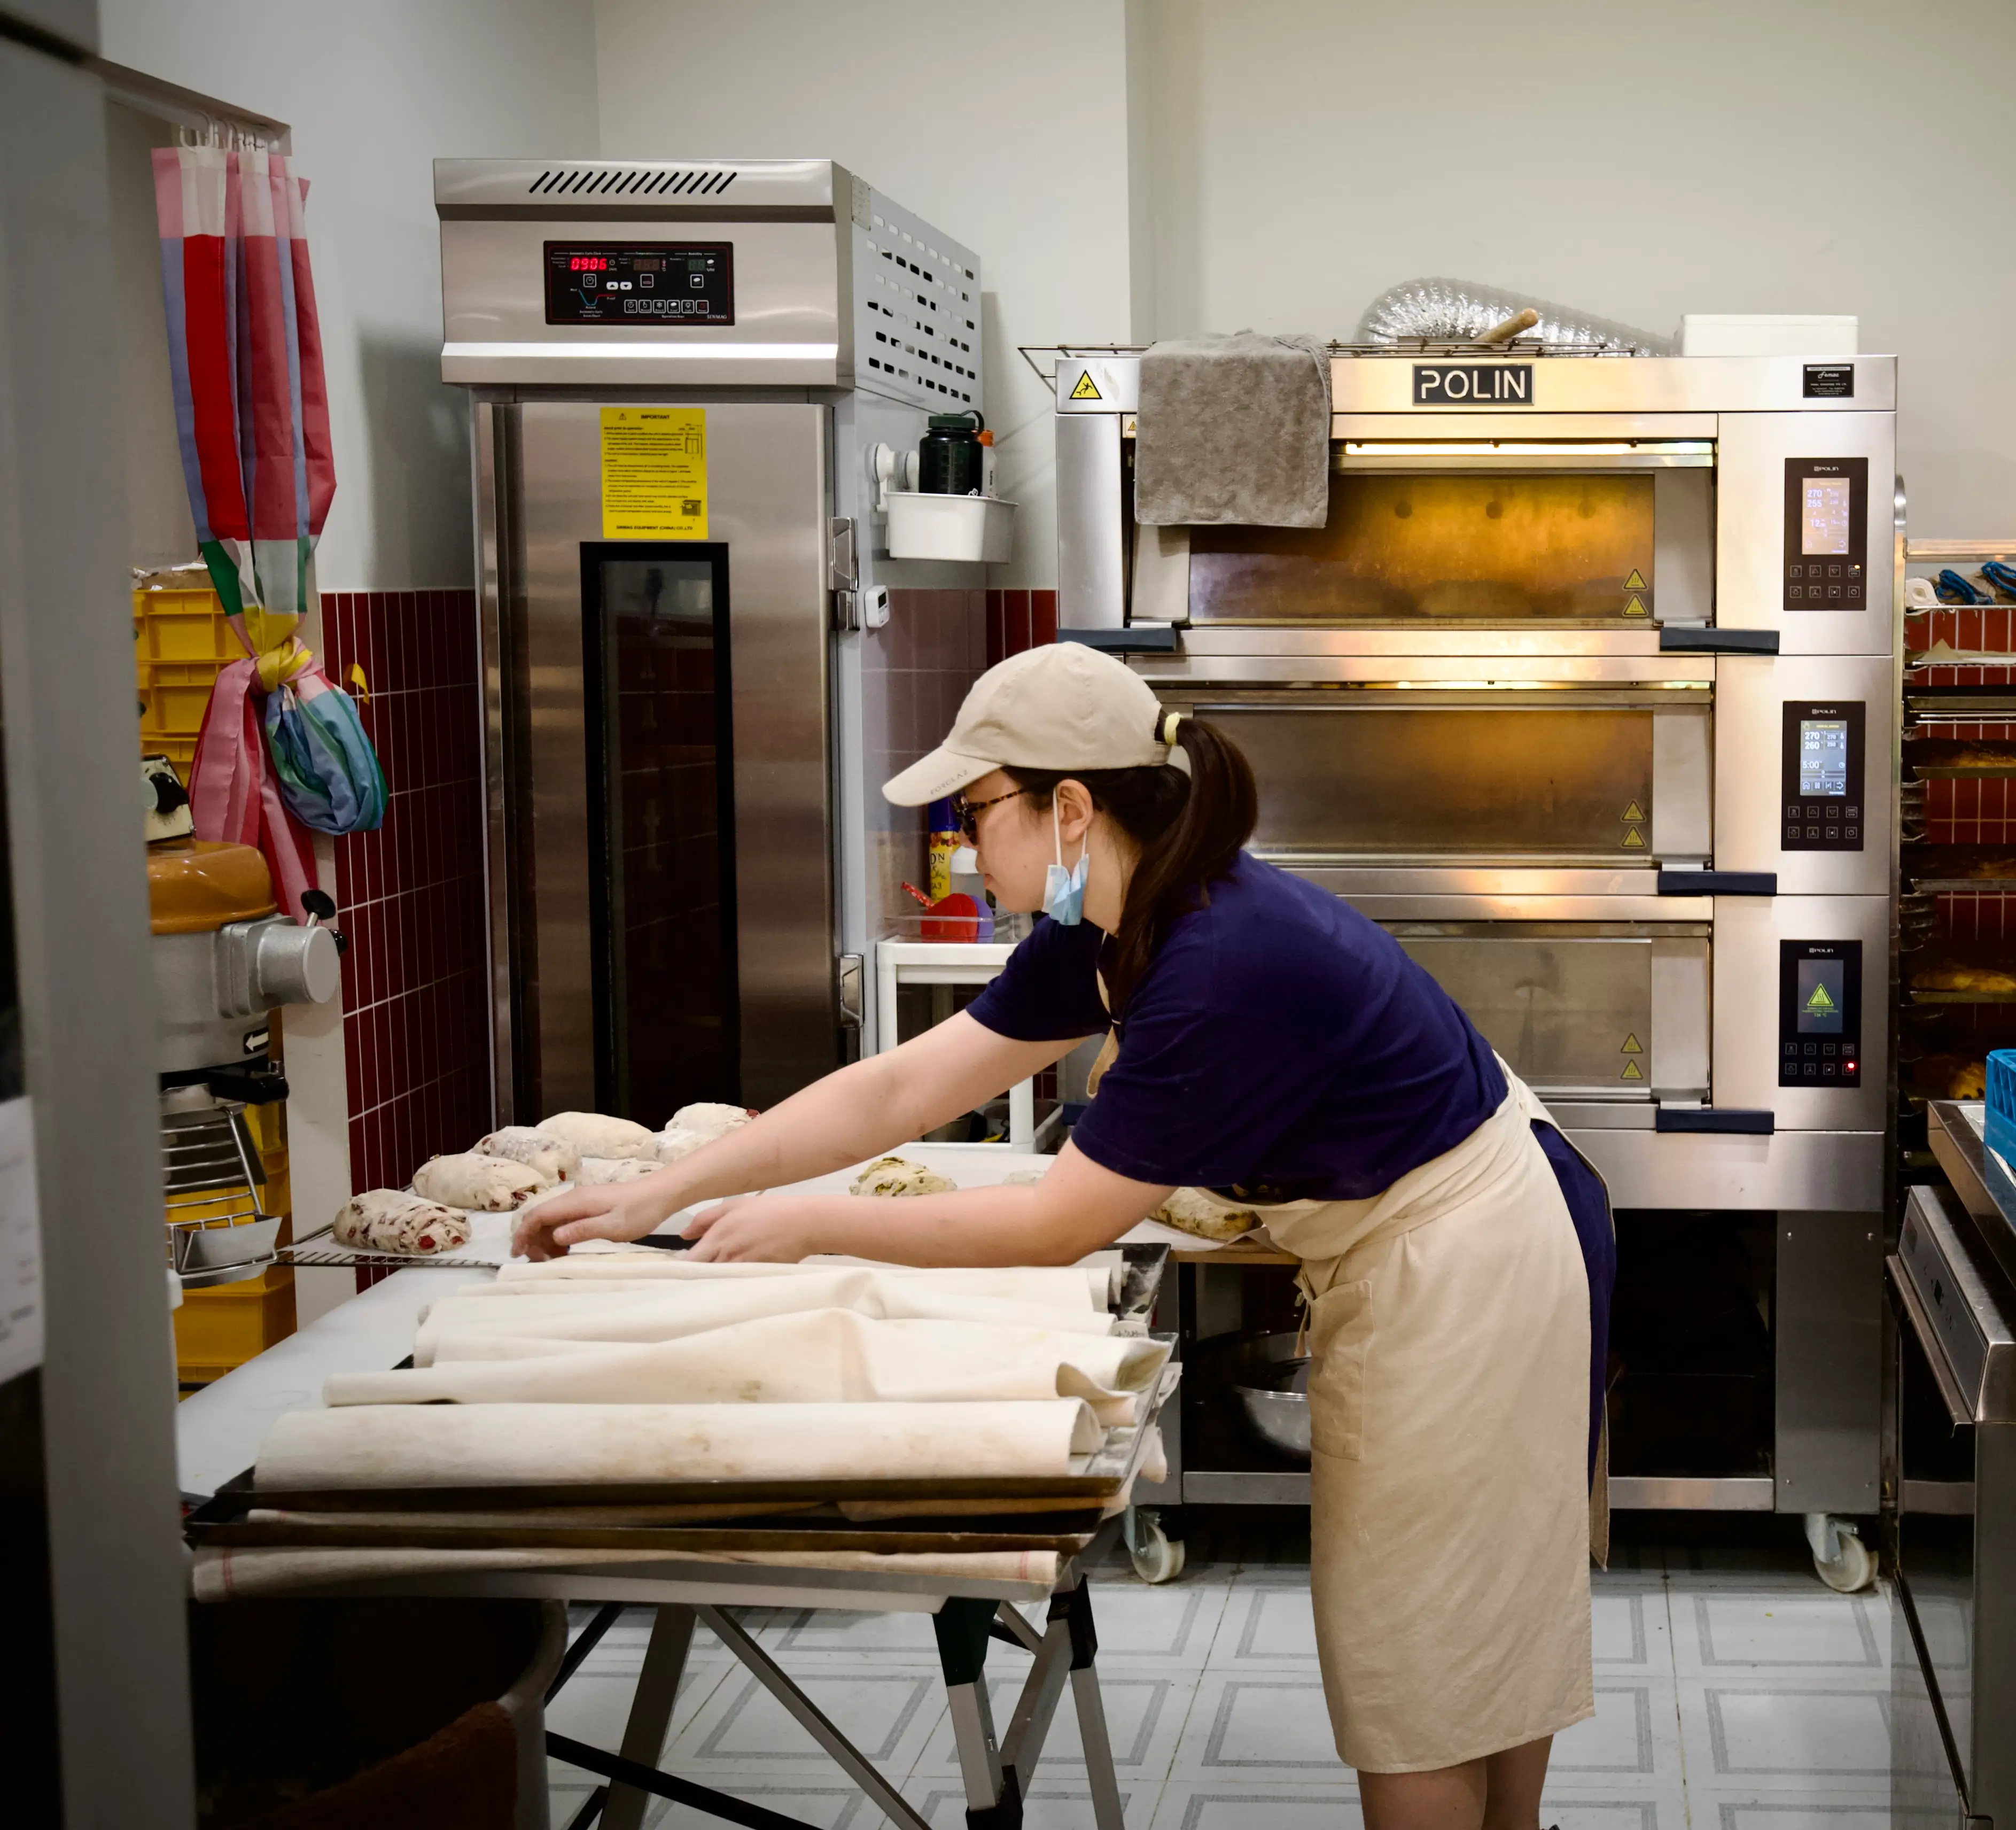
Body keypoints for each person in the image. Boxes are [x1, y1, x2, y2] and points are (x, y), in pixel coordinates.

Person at [517, 641, 1616, 1830]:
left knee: (1423, 1661)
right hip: (1471, 1225)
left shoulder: (1212, 960)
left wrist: (805, 1226)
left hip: (1464, 1260)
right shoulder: (1117, 921)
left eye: (975, 808)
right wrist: (662, 1190)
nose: (963, 838)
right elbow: (899, 1088)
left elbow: (1062, 1217)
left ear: (1072, 808)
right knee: (1468, 1633)